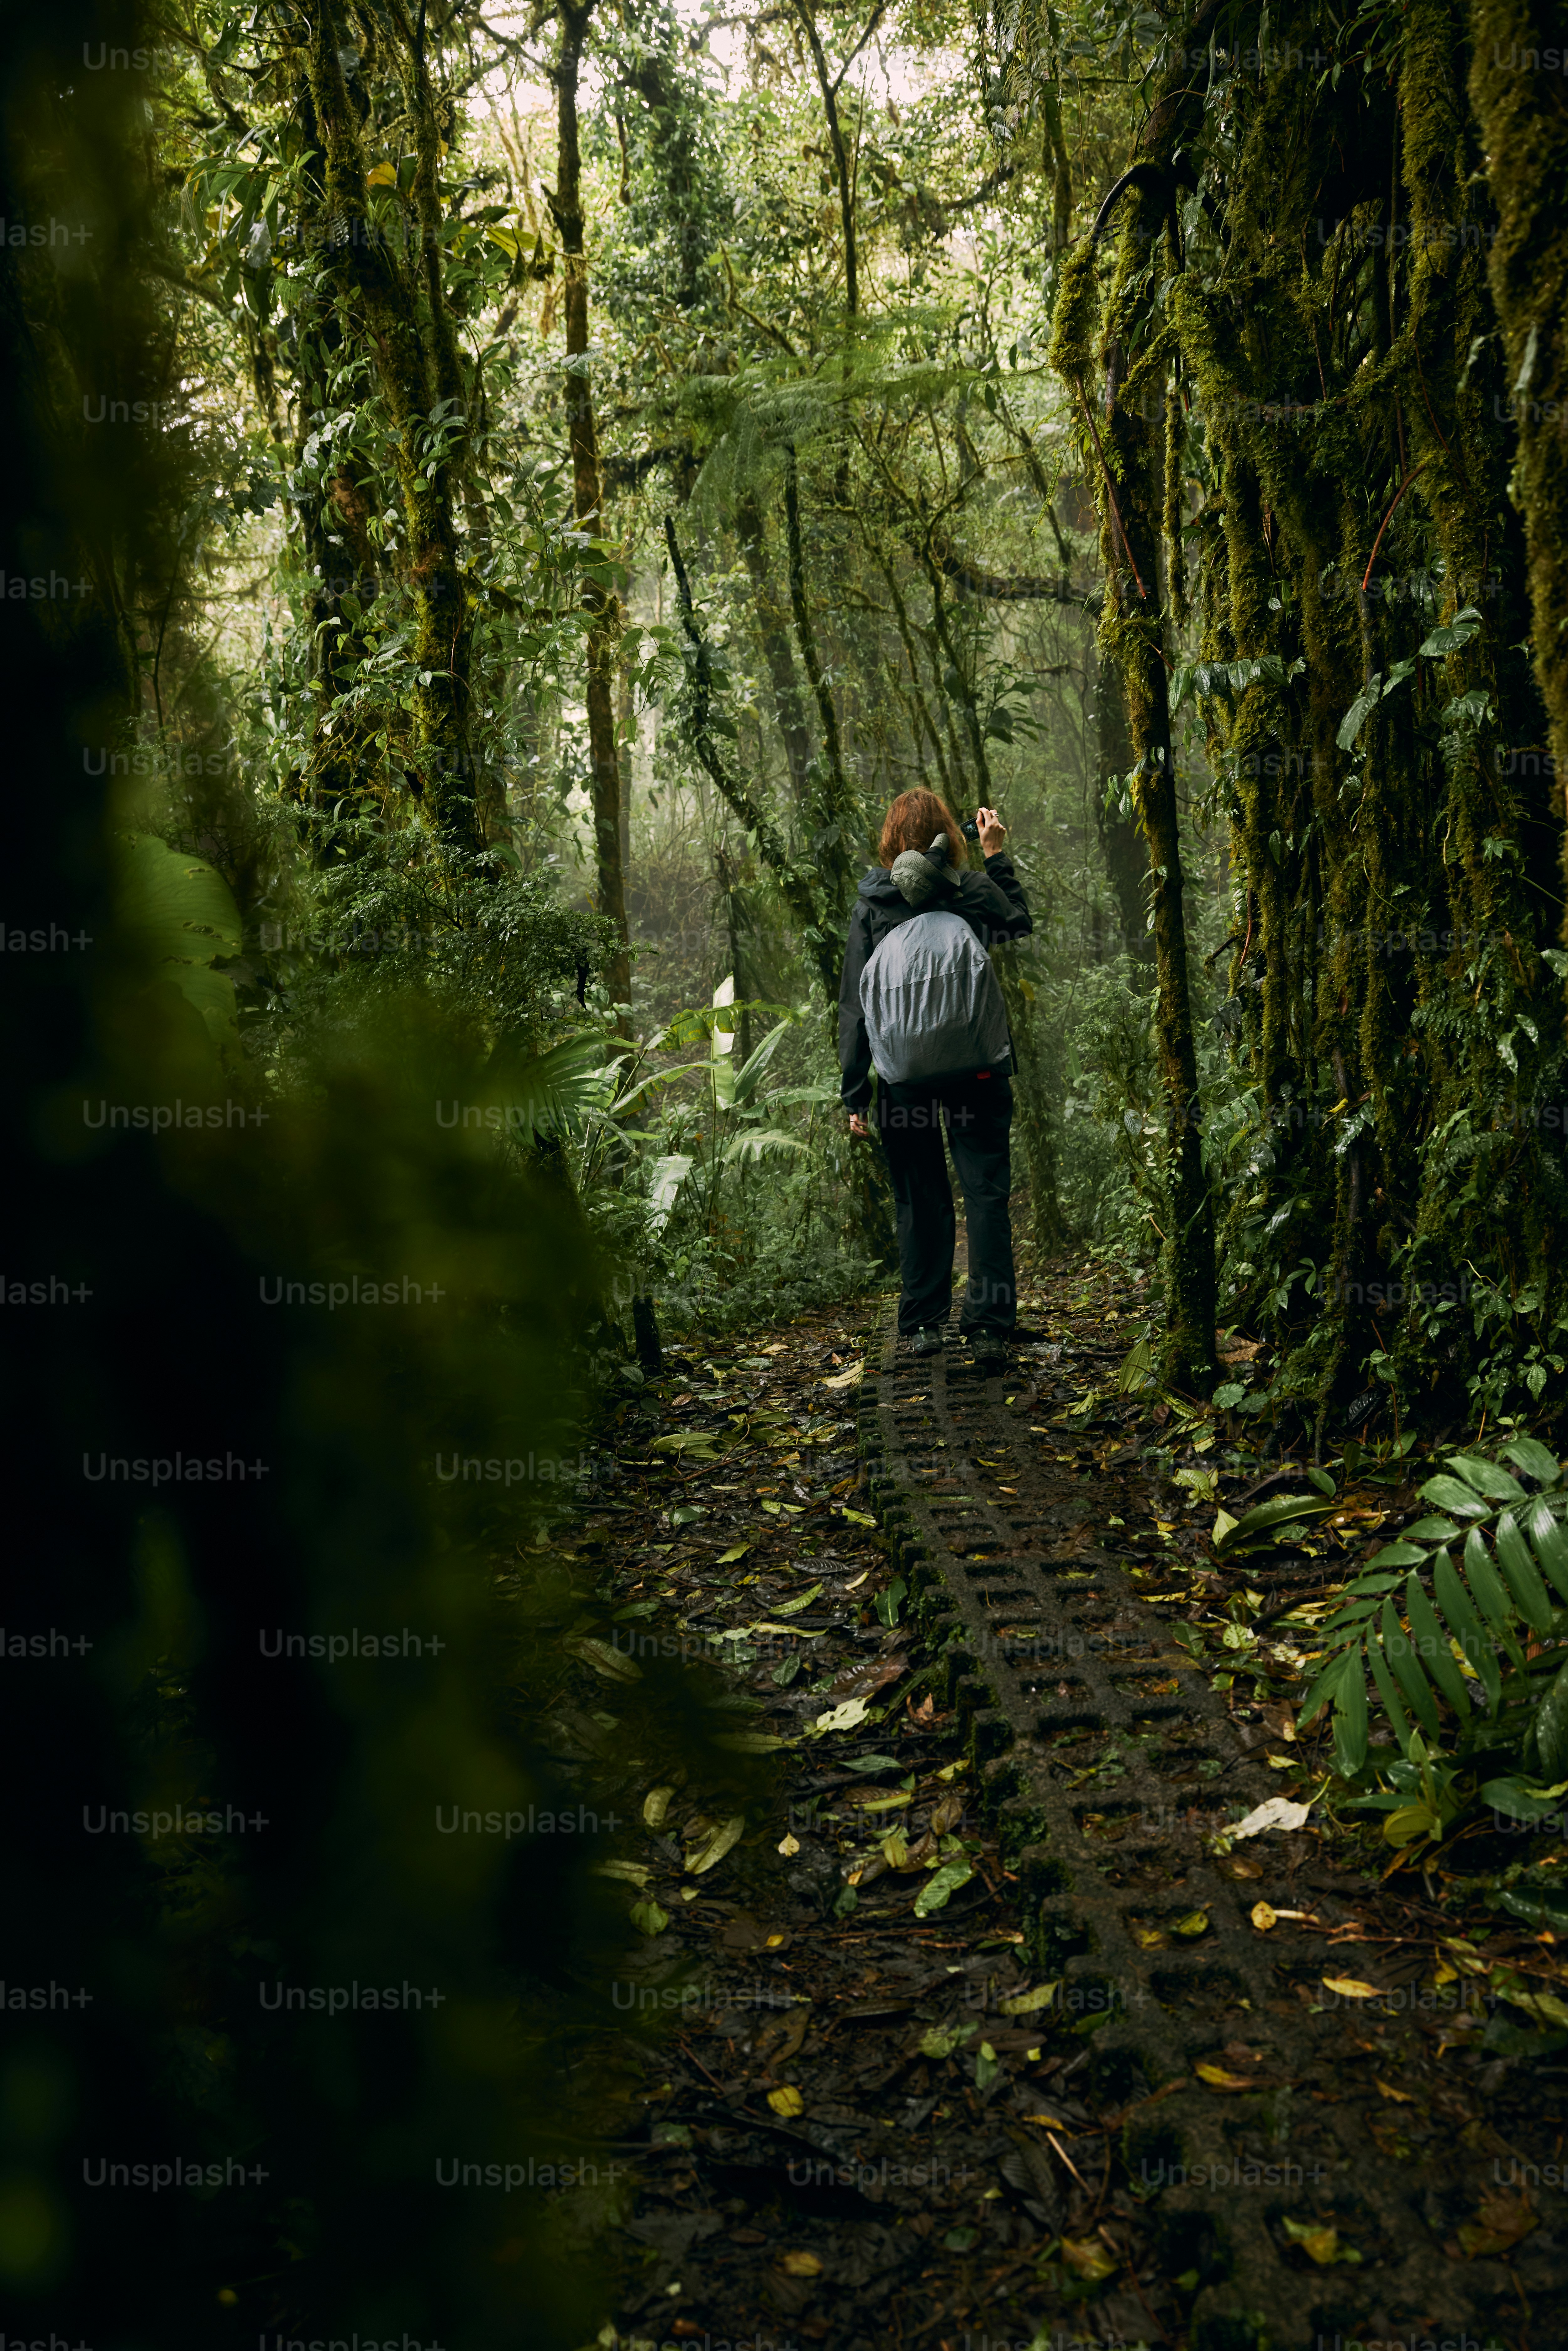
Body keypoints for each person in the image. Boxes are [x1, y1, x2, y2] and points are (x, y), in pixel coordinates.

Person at [838, 789, 1033, 1366]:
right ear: (950, 835)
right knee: (986, 1194)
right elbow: (1015, 923)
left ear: (891, 841)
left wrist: (855, 1090)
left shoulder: (872, 902)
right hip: (975, 1067)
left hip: (903, 1080)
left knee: (920, 1198)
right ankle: (989, 1327)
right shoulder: (967, 890)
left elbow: (854, 1004)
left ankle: (924, 1325)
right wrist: (995, 855)